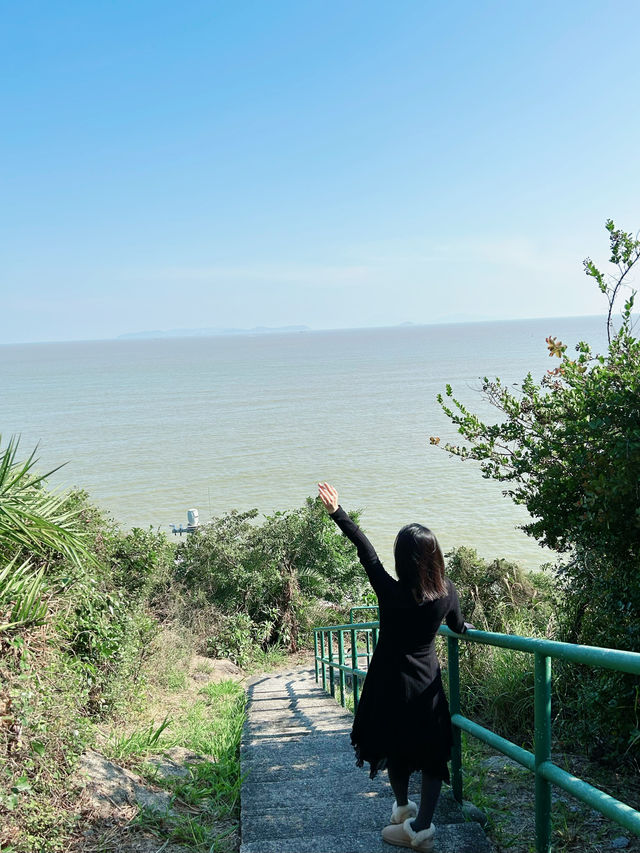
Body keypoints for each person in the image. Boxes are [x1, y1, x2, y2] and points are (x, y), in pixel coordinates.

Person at [317, 482, 471, 853]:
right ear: (435, 558)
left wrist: (338, 512)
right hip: (426, 684)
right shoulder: (447, 591)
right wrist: (466, 628)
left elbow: (365, 550)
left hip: (387, 683)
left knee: (395, 748)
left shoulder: (390, 591)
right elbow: (458, 627)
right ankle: (421, 826)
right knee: (433, 755)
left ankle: (404, 812)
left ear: (403, 561)